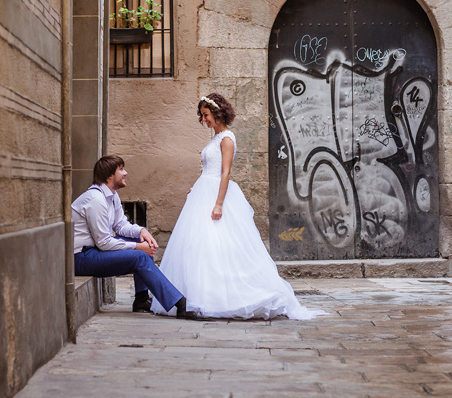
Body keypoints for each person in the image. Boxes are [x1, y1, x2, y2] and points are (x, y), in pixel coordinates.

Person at [152, 93, 325, 320]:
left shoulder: (227, 138)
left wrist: (219, 204)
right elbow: (209, 170)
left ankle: (229, 297)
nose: (203, 120)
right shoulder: (215, 138)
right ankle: (198, 296)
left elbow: (225, 172)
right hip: (203, 192)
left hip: (217, 195)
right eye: (202, 116)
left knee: (221, 245)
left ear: (217, 113)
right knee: (201, 246)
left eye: (206, 115)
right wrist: (197, 188)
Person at [72, 155, 200, 319]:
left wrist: (141, 232)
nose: (126, 173)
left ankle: (141, 299)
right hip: (81, 258)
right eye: (121, 169)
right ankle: (180, 304)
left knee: (140, 241)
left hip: (94, 251)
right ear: (109, 176)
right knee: (140, 255)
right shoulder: (95, 199)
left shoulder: (111, 196)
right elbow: (104, 242)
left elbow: (120, 225)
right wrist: (138, 248)